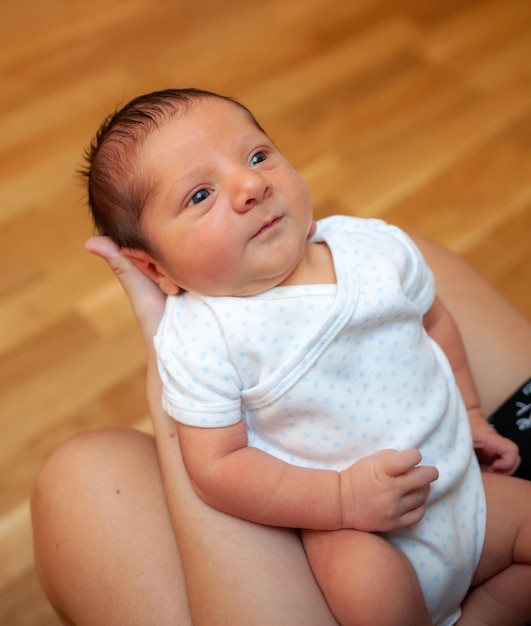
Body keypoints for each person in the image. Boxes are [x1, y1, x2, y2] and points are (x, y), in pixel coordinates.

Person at [30, 89, 531, 626]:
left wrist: (473, 416)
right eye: (200, 195)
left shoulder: (371, 247)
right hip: (359, 535)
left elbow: (435, 321)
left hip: (462, 488)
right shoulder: (204, 339)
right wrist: (341, 500)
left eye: (257, 156)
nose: (251, 185)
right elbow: (218, 467)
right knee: (374, 598)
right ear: (156, 271)